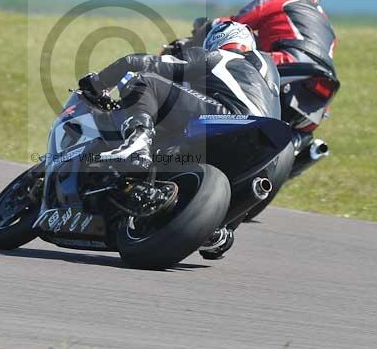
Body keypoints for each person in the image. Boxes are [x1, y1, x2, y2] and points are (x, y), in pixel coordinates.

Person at [79, 21, 281, 259]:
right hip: (266, 149)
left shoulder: (218, 56)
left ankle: (137, 143)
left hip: (230, 118)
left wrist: (98, 82)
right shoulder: (269, 74)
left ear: (218, 39)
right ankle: (217, 231)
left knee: (146, 80)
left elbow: (139, 63)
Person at [232, 0, 336, 68]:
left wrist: (218, 23)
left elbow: (235, 24)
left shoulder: (277, 0)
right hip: (323, 76)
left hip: (286, 61)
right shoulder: (326, 21)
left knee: (235, 65)